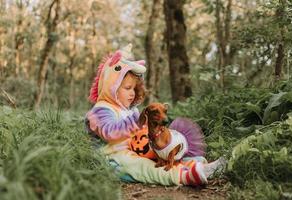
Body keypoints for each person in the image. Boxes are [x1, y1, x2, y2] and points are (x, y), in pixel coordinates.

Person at [84, 44, 225, 186]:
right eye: (127, 88)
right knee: (144, 166)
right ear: (110, 87)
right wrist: (135, 122)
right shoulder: (100, 110)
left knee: (159, 157)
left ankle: (192, 164)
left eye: (134, 88)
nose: (132, 93)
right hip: (112, 159)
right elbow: (109, 131)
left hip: (132, 150)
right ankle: (184, 176)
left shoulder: (127, 110)